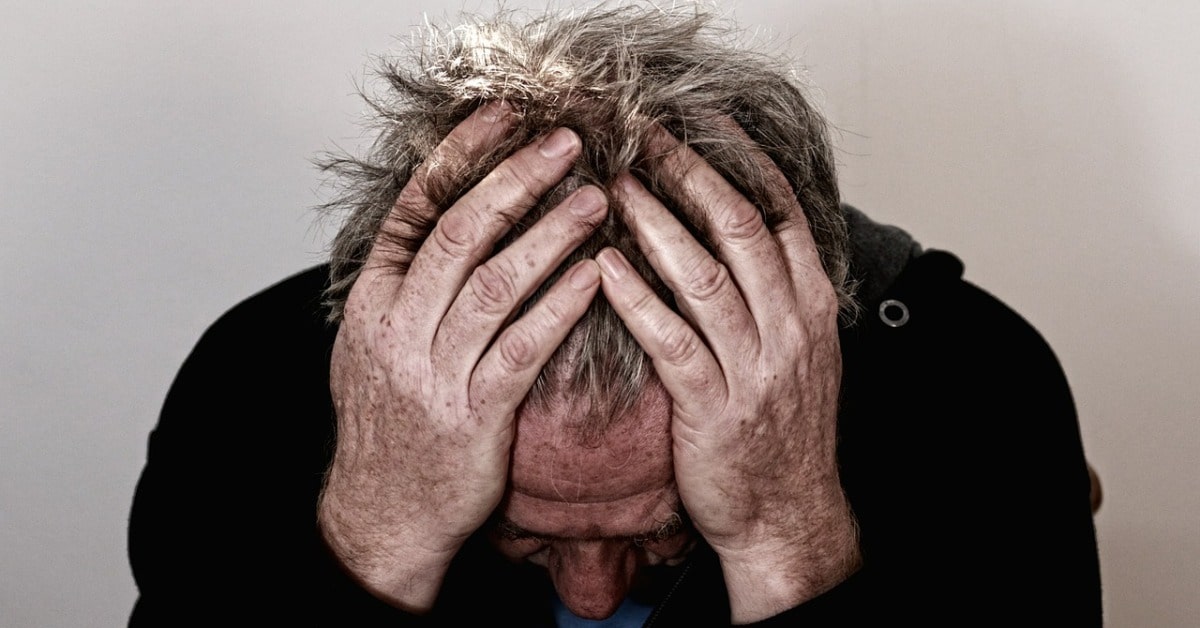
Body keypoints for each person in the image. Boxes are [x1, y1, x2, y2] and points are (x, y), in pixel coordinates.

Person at [127, 4, 1102, 626]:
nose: (591, 598)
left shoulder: (980, 391)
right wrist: (373, 542)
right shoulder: (251, 386)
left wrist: (784, 542)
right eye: (527, 536)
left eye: (668, 529)